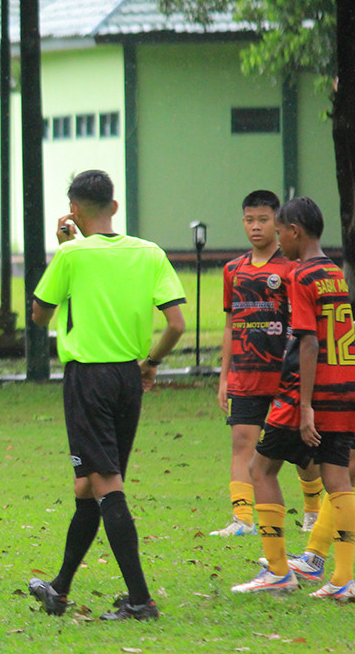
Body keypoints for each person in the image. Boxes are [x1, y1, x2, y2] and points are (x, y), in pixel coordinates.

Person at [27, 170, 186, 621]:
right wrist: (151, 363)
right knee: (88, 484)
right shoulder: (149, 252)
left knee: (105, 484)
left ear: (73, 211)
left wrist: (65, 250)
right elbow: (176, 324)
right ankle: (58, 589)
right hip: (128, 379)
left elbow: (40, 315)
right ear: (114, 207)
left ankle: (140, 601)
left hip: (88, 379)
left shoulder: (72, 254)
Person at [231, 197, 355, 600]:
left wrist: (304, 406)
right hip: (343, 388)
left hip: (305, 391)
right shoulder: (334, 272)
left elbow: (307, 342)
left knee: (261, 470)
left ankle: (279, 572)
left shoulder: (301, 276)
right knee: (338, 478)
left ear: (295, 232)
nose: (278, 239)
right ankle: (344, 579)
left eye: (281, 230)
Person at [211, 190, 323, 537]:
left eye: (262, 220)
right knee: (242, 443)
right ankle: (242, 519)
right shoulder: (234, 270)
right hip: (245, 375)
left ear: (278, 224)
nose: (255, 227)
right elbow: (231, 325)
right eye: (249, 220)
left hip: (285, 377)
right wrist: (224, 375)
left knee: (304, 453)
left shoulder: (292, 270)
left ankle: (312, 512)